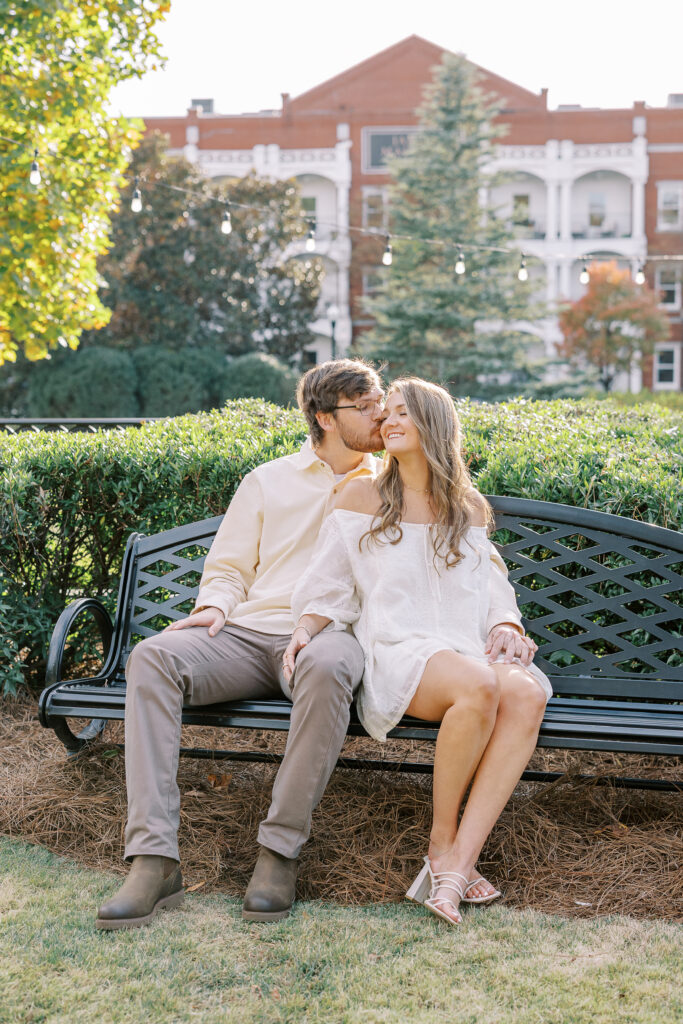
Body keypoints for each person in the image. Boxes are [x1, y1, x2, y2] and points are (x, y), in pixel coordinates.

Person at [95, 358, 385, 930]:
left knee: (329, 668)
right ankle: (153, 861)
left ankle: (278, 853)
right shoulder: (267, 480)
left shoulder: (393, 483)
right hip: (249, 634)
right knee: (152, 656)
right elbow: (228, 568)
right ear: (325, 417)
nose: (380, 413)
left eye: (381, 401)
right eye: (366, 405)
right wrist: (212, 610)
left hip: (332, 637)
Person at [286, 377, 551, 926]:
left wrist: (506, 622)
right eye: (388, 414)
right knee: (478, 685)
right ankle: (440, 845)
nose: (389, 421)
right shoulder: (361, 496)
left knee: (525, 693)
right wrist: (306, 629)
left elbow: (490, 581)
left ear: (433, 423)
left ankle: (458, 865)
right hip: (397, 651)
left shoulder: (467, 507)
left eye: (403, 412)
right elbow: (330, 582)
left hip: (461, 647)